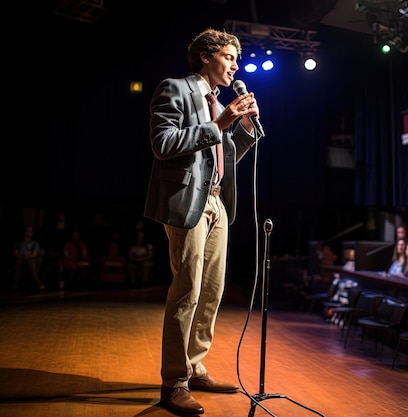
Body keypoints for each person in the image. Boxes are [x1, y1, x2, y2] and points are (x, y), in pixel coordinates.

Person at [143, 27, 263, 416]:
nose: (235, 65)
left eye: (236, 59)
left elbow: (222, 157)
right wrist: (221, 123)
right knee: (188, 290)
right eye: (229, 56)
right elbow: (164, 144)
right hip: (187, 203)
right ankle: (173, 383)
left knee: (212, 290)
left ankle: (194, 367)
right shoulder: (175, 89)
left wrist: (243, 131)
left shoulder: (218, 102)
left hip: (217, 203)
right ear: (207, 56)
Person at [12, 225, 45, 291]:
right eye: (27, 231)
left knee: (30, 263)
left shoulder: (35, 243)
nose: (28, 233)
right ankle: (15, 282)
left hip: (30, 258)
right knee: (19, 262)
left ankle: (37, 282)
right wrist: (21, 257)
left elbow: (34, 254)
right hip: (20, 258)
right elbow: (15, 253)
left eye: (30, 231)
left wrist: (28, 257)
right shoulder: (18, 242)